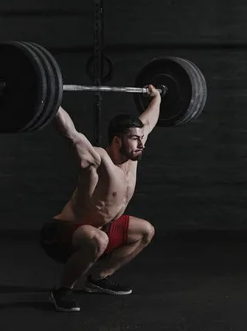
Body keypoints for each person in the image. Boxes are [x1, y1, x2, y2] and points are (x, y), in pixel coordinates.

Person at [39, 85, 161, 312]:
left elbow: (149, 122)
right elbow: (71, 134)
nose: (141, 143)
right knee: (98, 240)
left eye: (141, 138)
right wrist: (48, 97)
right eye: (135, 139)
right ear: (117, 141)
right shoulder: (99, 159)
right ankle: (62, 290)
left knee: (145, 230)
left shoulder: (133, 156)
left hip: (99, 229)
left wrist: (157, 97)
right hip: (62, 234)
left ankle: (98, 279)